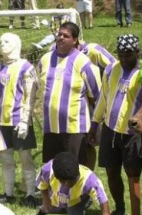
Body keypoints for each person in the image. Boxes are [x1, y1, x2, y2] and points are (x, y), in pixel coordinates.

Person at [89, 34, 142, 215]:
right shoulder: (111, 69)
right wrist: (94, 124)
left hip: (132, 135)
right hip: (110, 131)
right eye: (120, 54)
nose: (124, 58)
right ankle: (119, 209)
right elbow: (103, 97)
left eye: (128, 54)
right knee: (111, 172)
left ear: (137, 52)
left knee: (133, 176)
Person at [37, 21, 101, 168]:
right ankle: (55, 192)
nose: (61, 38)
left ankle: (81, 191)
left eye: (66, 36)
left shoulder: (83, 62)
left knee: (77, 167)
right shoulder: (45, 59)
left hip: (75, 126)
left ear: (74, 40)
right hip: (51, 125)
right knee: (53, 167)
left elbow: (95, 94)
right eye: (59, 34)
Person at [0, 32, 38, 207]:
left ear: (16, 44)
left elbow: (30, 96)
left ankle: (30, 194)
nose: (2, 44)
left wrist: (25, 120)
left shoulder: (26, 67)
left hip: (20, 121)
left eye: (6, 41)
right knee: (6, 158)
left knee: (25, 157)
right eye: (0, 41)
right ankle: (8, 193)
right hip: (2, 122)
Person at [30, 152, 113, 215]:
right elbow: (42, 184)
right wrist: (46, 198)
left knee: (73, 210)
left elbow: (102, 198)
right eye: (63, 181)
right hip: (57, 196)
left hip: (79, 199)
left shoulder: (89, 179)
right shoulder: (48, 170)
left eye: (71, 180)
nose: (67, 184)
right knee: (47, 207)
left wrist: (106, 214)